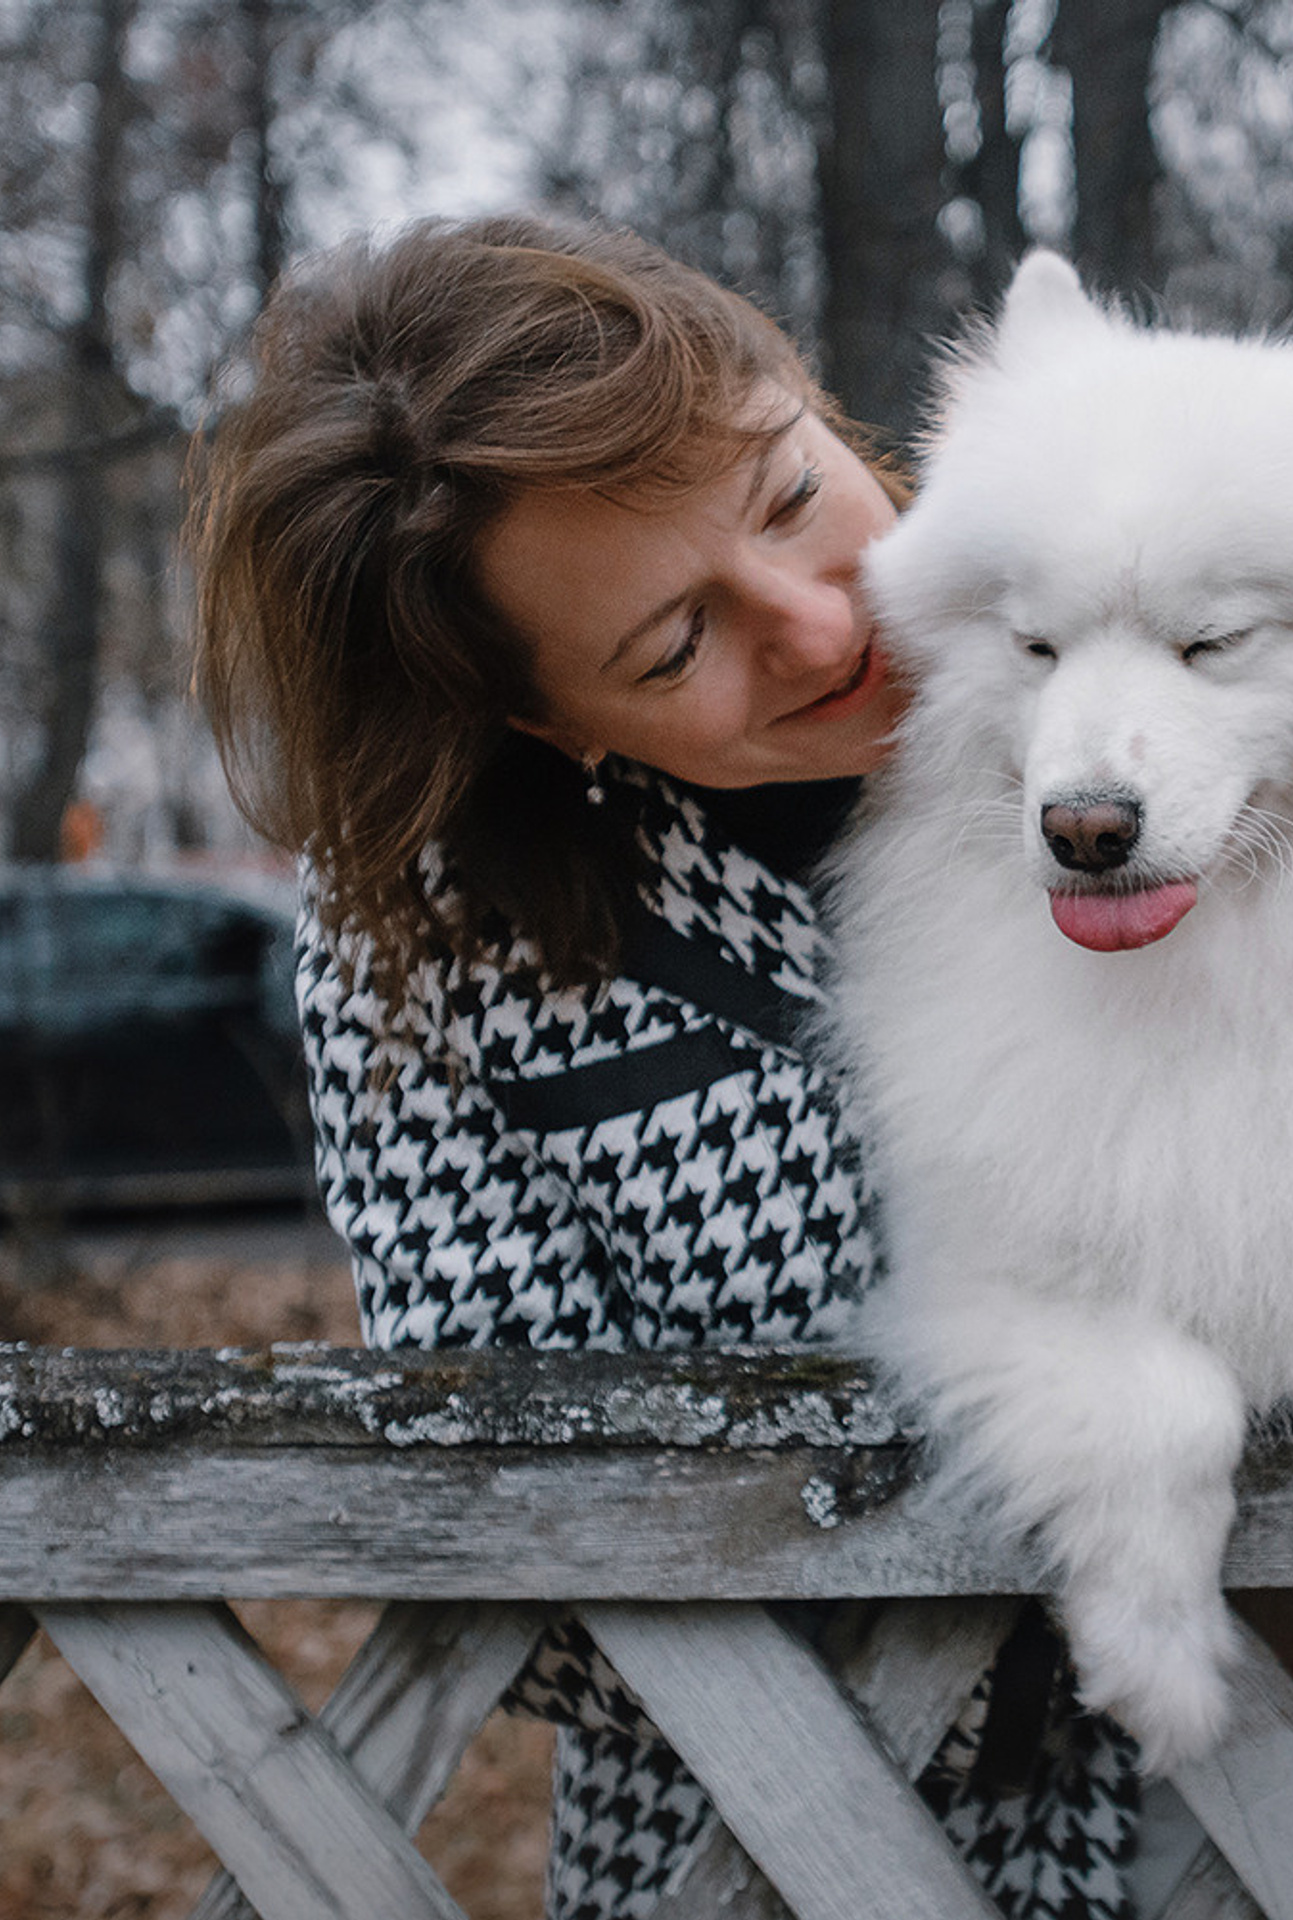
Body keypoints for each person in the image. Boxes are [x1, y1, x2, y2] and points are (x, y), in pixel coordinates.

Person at [190, 212, 1138, 1920]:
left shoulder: (1165, 690)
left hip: (1283, 1788)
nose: (814, 618)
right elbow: (512, 1522)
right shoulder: (430, 937)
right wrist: (944, 1654)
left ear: (824, 406)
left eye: (791, 494)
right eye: (672, 645)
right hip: (739, 1845)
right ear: (548, 723)